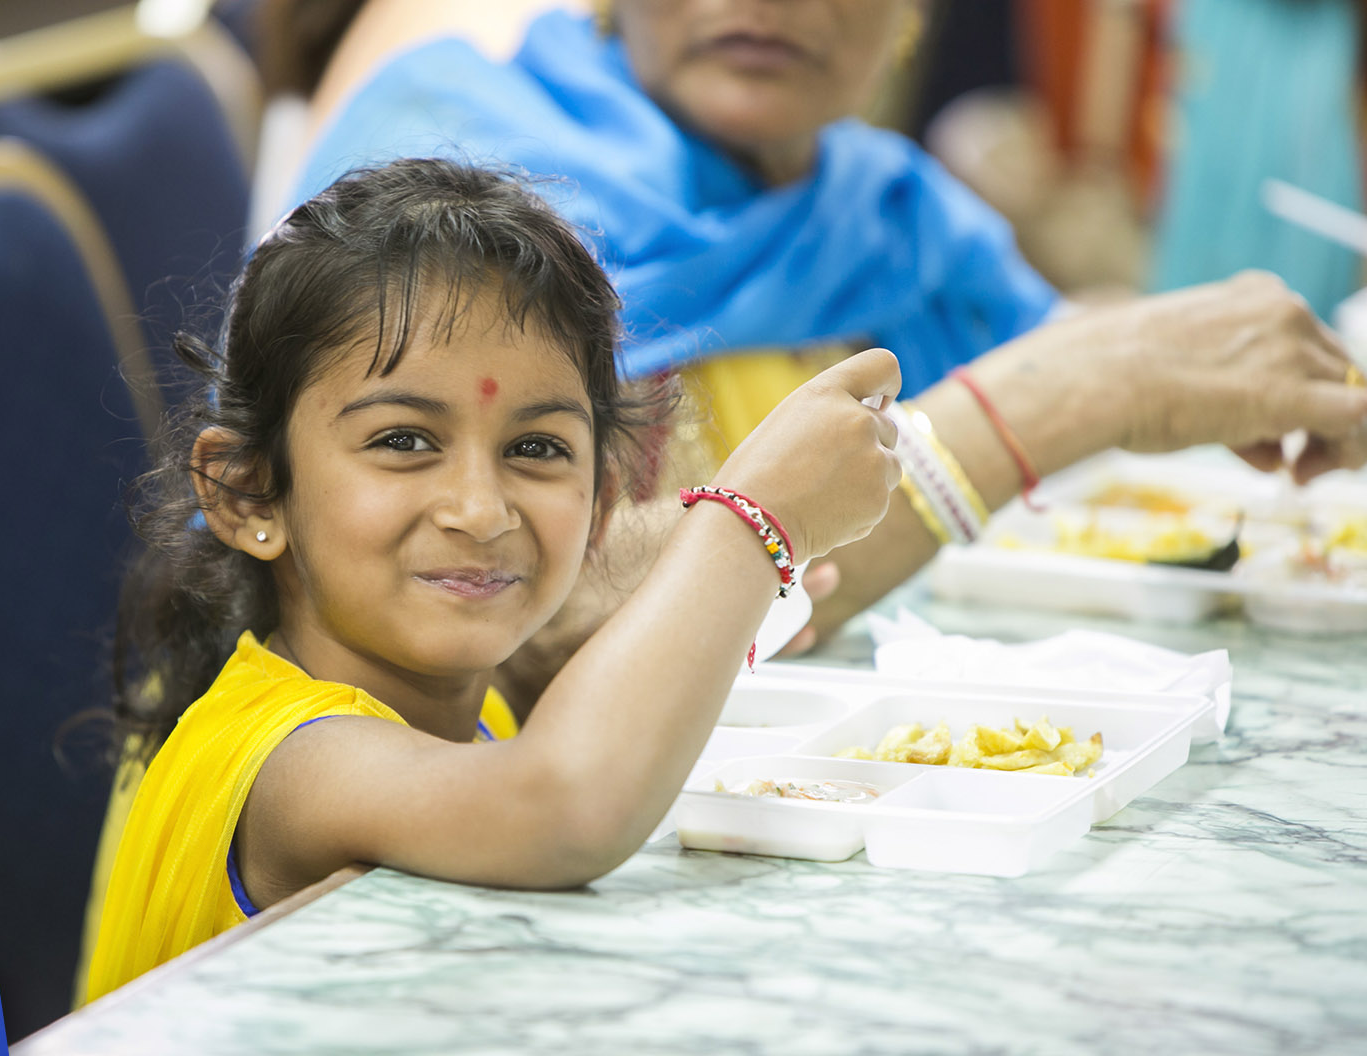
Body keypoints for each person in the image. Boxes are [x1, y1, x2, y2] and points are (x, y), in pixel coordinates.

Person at [271, 0, 1367, 645]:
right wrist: (1052, 399)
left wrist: (1182, 358)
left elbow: (1069, 350)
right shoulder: (448, 178)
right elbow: (489, 617)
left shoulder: (886, 209)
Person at [83, 157, 903, 1000]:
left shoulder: (473, 710)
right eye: (402, 440)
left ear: (601, 499)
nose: (480, 509)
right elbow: (566, 806)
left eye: (536, 448)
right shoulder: (293, 761)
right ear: (249, 489)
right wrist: (752, 518)